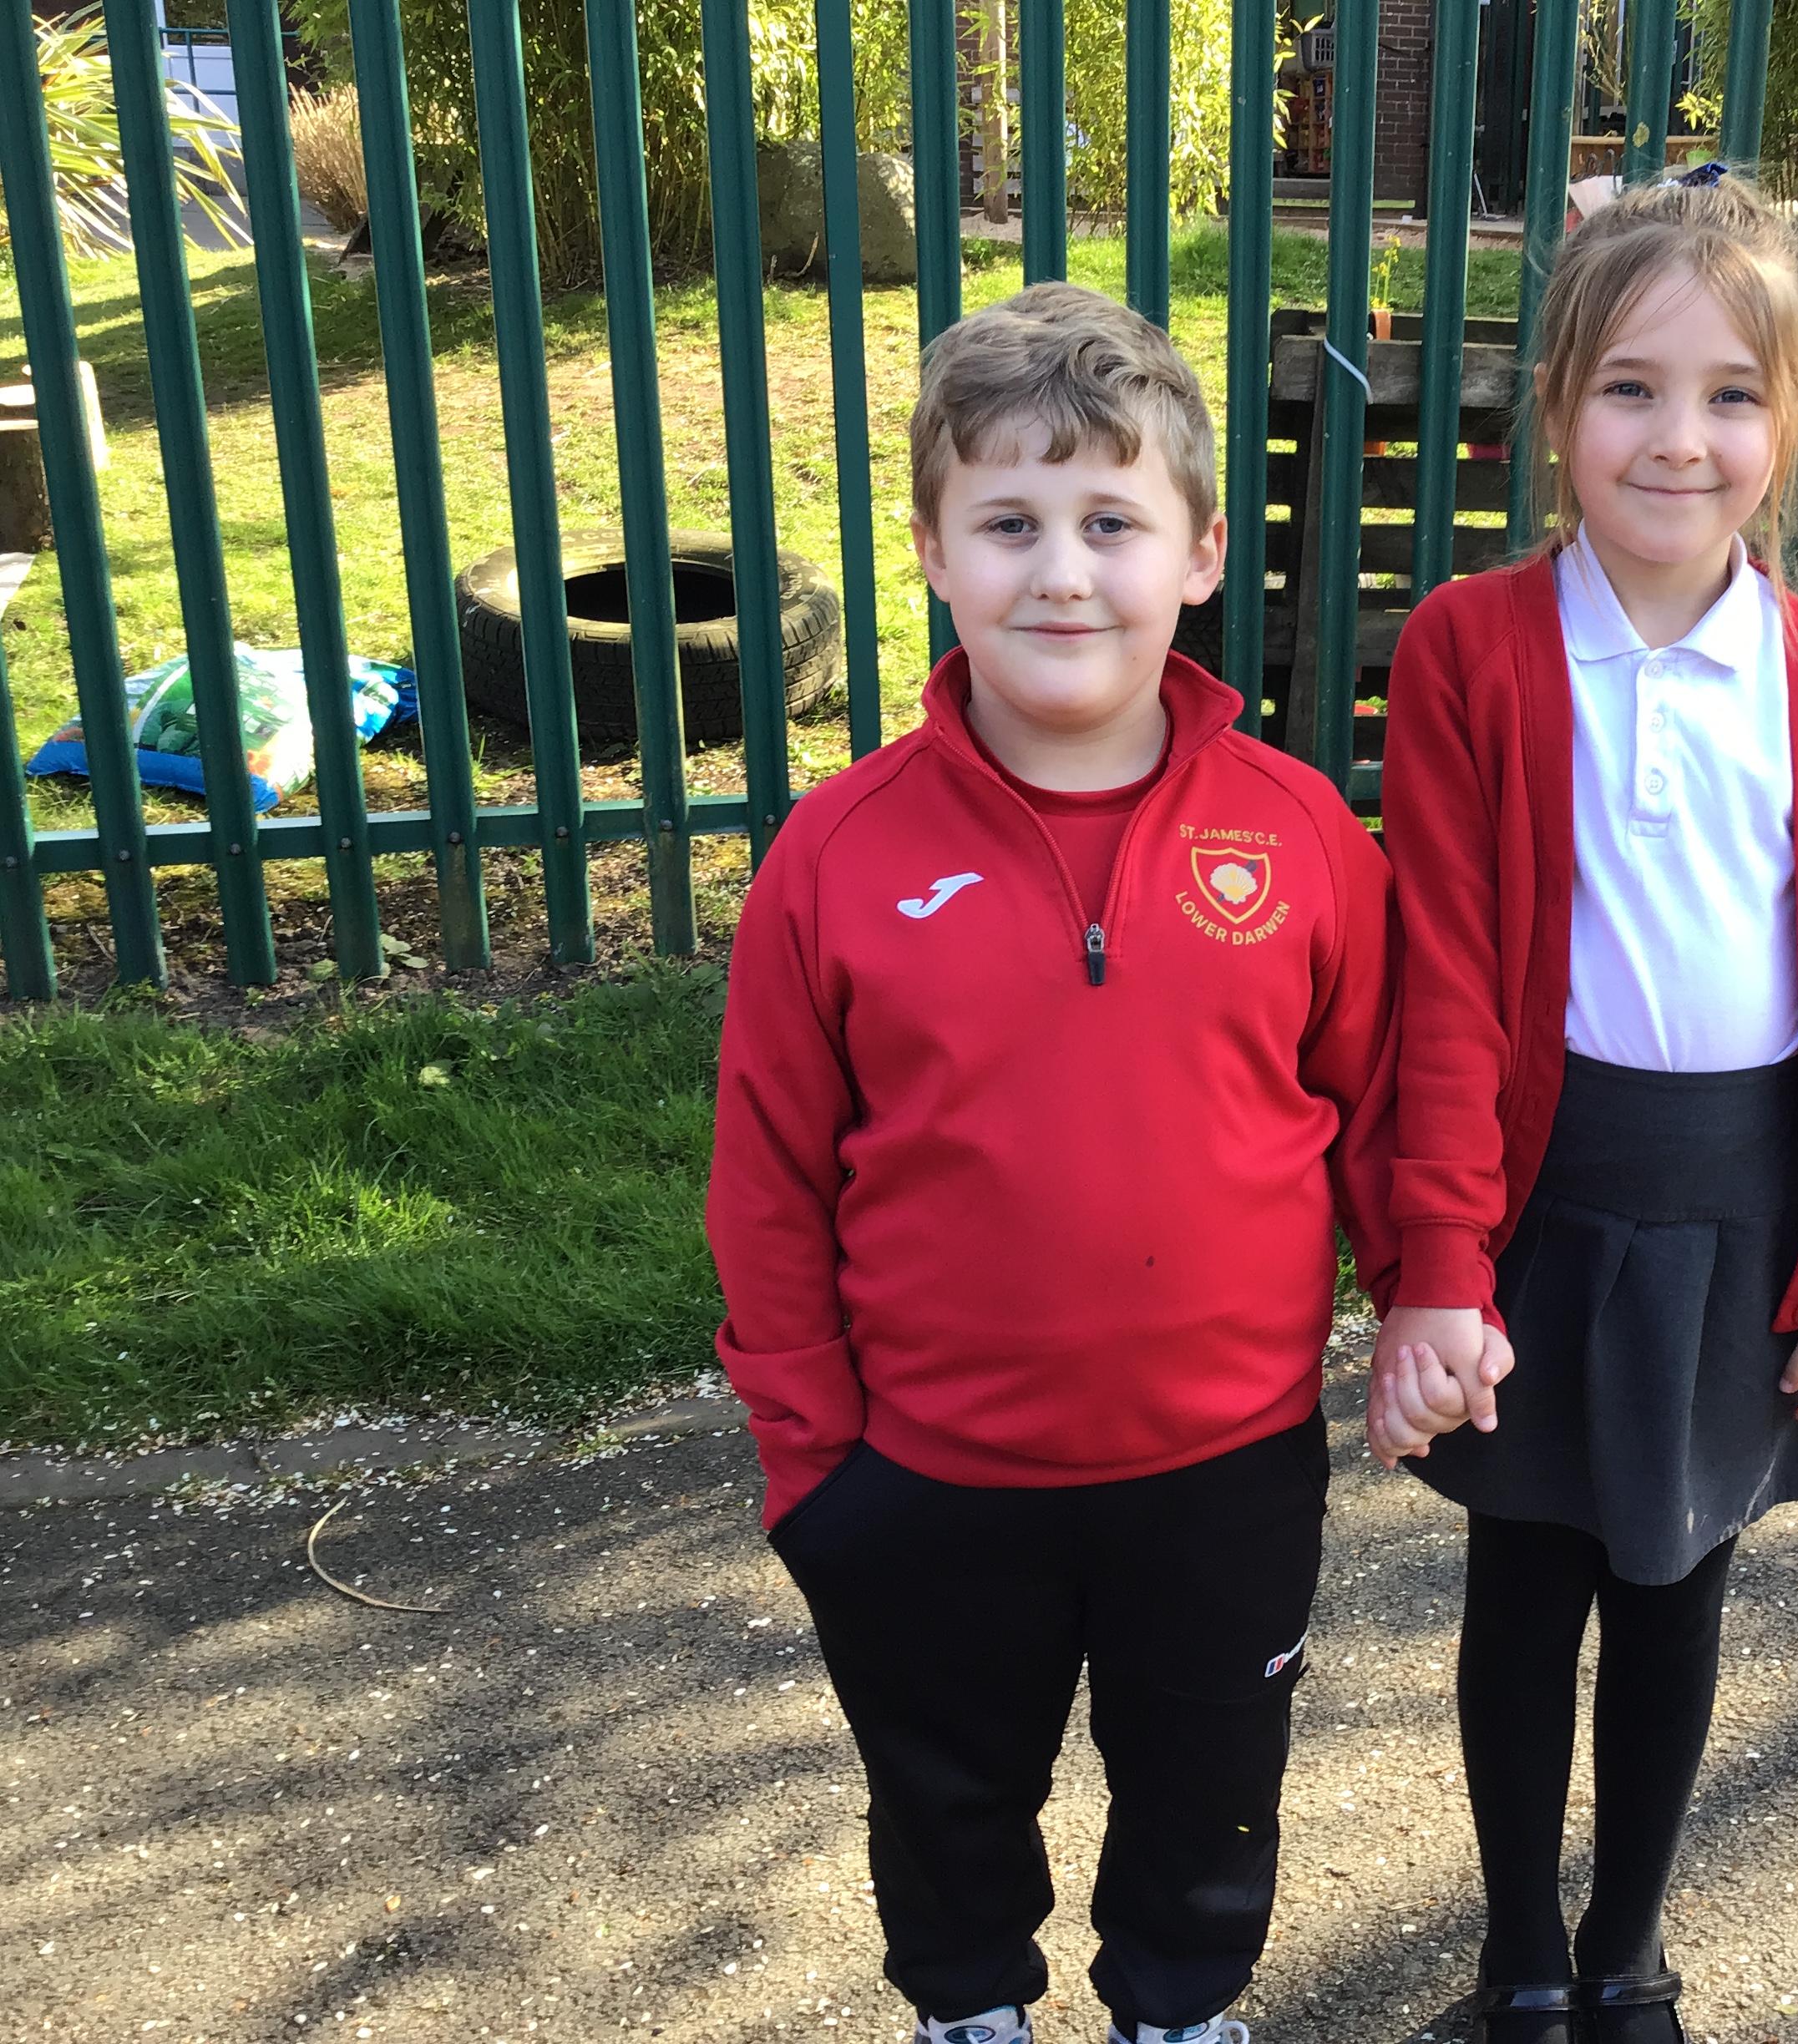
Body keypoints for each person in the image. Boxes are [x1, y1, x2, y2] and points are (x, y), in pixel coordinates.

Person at [707, 281, 1404, 2044]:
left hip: (1227, 1465)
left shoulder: (1302, 838)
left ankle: (1180, 2009)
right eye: (1009, 523)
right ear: (935, 554)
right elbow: (769, 1177)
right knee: (947, 1801)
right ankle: (968, 2012)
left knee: (1208, 1798)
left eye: (1111, 522)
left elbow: (1385, 1108)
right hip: (926, 1475)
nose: (1062, 574)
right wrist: (814, 1460)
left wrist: (1431, 1297)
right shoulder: (839, 856)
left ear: (1202, 555)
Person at [1369, 169, 1798, 2044]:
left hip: (1742, 1210)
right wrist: (1437, 1262)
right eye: (1629, 387)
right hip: (1539, 1203)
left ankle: (1626, 1955)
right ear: (1556, 406)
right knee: (1522, 1586)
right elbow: (1442, 980)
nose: (1677, 439)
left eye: (1728, 394)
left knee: (1677, 1583)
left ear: (1791, 427)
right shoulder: (1471, 651)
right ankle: (1519, 1962)